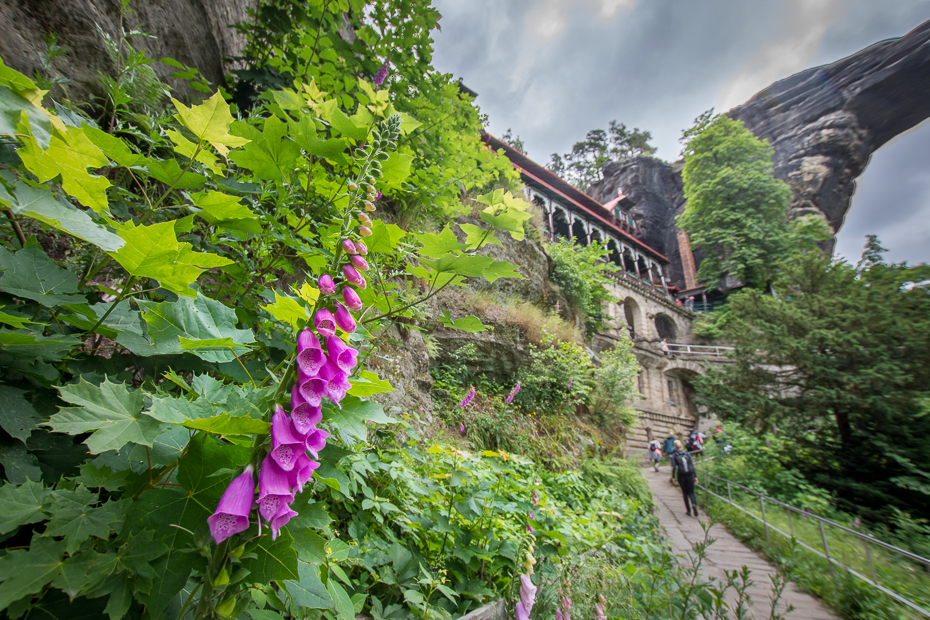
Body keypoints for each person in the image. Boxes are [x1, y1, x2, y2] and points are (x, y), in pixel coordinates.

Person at [670, 440, 699, 517]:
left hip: (681, 475)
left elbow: (674, 467)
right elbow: (692, 465)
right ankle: (693, 504)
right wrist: (695, 476)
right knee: (691, 492)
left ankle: (688, 510)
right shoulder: (687, 454)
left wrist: (673, 477)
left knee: (685, 493)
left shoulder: (674, 456)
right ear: (682, 446)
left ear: (675, 447)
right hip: (689, 474)